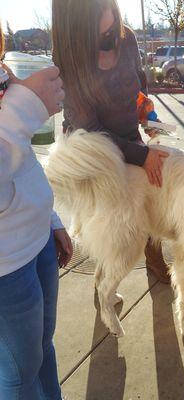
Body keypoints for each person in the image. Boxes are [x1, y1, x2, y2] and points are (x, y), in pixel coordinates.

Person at [52, 0, 171, 283]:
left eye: (112, 25)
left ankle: (155, 258)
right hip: (93, 153)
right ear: (76, 30)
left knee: (149, 199)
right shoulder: (68, 58)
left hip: (128, 136)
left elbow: (138, 82)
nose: (110, 36)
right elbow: (91, 129)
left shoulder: (126, 37)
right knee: (114, 221)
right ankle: (104, 278)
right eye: (99, 32)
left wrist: (145, 110)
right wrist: (142, 156)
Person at [0, 23, 73, 399]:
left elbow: (20, 158)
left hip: (36, 240)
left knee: (43, 349)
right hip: (5, 266)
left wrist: (49, 217)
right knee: (18, 373)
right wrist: (25, 108)